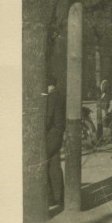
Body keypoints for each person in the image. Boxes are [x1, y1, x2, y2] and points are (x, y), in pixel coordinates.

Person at [45, 76, 65, 206]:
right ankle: (59, 197)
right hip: (58, 134)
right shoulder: (60, 96)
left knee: (44, 163)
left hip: (51, 134)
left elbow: (48, 118)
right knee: (54, 165)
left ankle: (50, 197)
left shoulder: (51, 97)